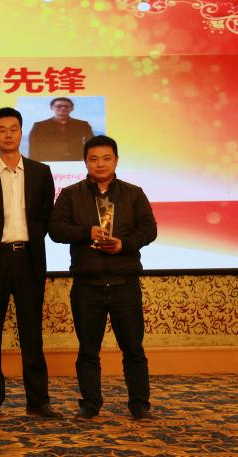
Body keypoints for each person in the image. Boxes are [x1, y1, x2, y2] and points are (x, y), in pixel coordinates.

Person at [49, 135, 157, 421]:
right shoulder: (71, 194)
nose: (100, 164)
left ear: (116, 161)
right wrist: (86, 232)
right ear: (85, 162)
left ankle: (140, 404)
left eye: (106, 158)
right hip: (87, 285)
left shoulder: (133, 193)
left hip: (124, 284)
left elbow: (149, 229)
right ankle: (90, 403)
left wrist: (124, 244)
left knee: (133, 348)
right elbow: (55, 230)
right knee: (88, 350)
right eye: (94, 158)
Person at [0, 107, 60, 420]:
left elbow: (45, 217)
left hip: (29, 259)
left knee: (32, 333)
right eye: (1, 129)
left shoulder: (41, 172)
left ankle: (38, 401)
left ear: (21, 133)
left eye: (13, 128)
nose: (8, 134)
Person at [28, 97, 94, 162]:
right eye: (58, 106)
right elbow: (33, 147)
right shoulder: (39, 126)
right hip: (48, 161)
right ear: (52, 107)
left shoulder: (83, 125)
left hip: (77, 160)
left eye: (66, 106)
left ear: (72, 108)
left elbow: (91, 143)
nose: (63, 108)